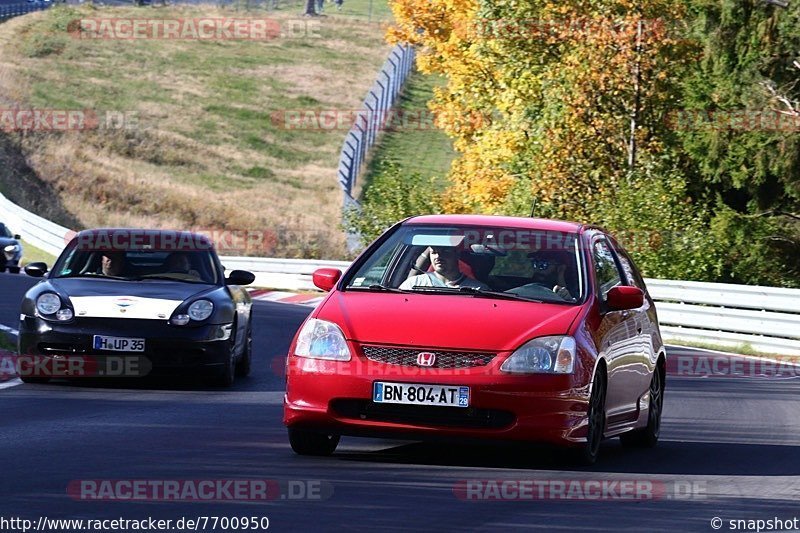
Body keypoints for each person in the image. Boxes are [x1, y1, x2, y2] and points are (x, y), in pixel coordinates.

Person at [400, 246, 490, 290]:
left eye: (445, 252)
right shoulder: (413, 285)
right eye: (434, 252)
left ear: (457, 254)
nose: (438, 256)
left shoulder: (478, 290)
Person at [510, 250, 576, 300]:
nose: (538, 269)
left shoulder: (581, 294)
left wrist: (568, 299)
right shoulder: (519, 288)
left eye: (543, 264)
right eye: (535, 263)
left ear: (560, 268)